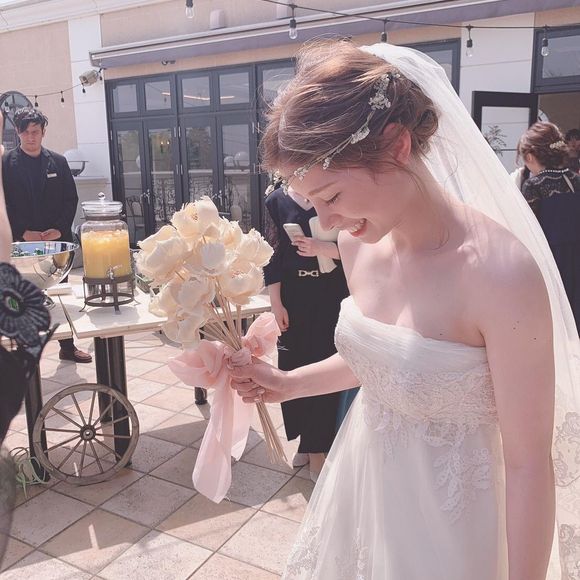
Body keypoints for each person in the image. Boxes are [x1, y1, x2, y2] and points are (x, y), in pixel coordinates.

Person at [230, 40, 580, 579]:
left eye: (331, 196)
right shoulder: (357, 242)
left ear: (396, 146)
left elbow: (529, 462)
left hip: (452, 525)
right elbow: (387, 364)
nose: (326, 220)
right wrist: (287, 383)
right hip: (364, 488)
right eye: (313, 203)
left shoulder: (500, 275)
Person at [264, 180, 356, 481]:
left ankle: (318, 450)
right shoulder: (276, 201)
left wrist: (322, 248)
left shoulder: (333, 194)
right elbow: (272, 257)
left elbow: (361, 246)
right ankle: (305, 441)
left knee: (323, 371)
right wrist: (276, 303)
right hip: (293, 301)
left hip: (333, 299)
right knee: (292, 368)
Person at [2, 107, 91, 363]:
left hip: (55, 242)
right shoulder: (5, 164)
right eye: (26, 132)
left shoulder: (59, 162)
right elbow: (4, 203)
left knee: (60, 297)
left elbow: (70, 199)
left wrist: (59, 228)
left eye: (36, 132)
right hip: (21, 243)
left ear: (43, 132)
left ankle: (67, 346)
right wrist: (23, 232)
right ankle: (22, 351)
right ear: (17, 132)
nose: (31, 137)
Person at [518, 122, 580, 330]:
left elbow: (529, 229)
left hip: (551, 258)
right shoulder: (575, 179)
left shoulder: (533, 185)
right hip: (576, 256)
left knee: (554, 318)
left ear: (530, 157)